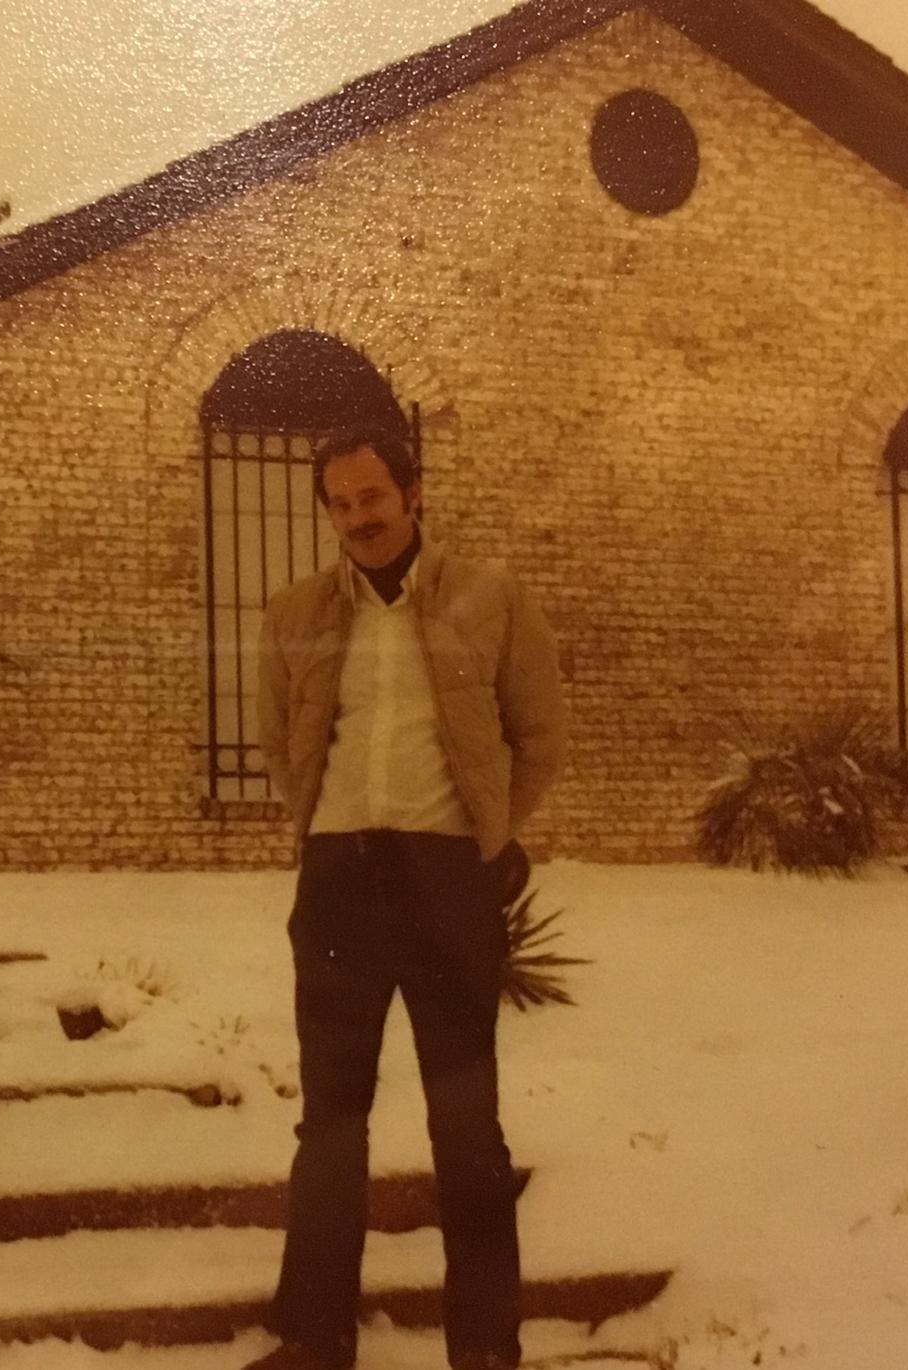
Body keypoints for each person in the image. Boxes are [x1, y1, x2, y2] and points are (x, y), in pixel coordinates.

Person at [246, 421, 567, 1370]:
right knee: (330, 1123)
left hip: (444, 885)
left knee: (467, 1126)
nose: (357, 519)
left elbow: (539, 737)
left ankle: (484, 1349)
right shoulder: (296, 611)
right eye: (341, 505)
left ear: (413, 493)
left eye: (372, 499)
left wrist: (487, 836)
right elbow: (279, 740)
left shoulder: (490, 600)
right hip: (339, 883)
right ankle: (314, 1341)